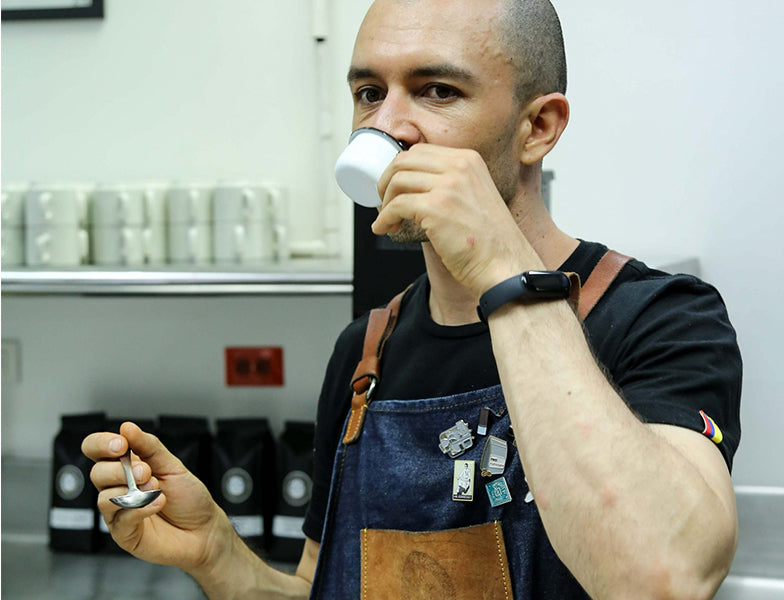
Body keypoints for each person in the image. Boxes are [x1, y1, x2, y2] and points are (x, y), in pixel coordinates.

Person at [82, 0, 742, 598]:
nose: (387, 126)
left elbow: (663, 578)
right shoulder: (367, 348)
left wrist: (499, 265)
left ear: (537, 126)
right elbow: (326, 588)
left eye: (436, 90)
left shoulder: (661, 318)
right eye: (369, 92)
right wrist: (220, 556)